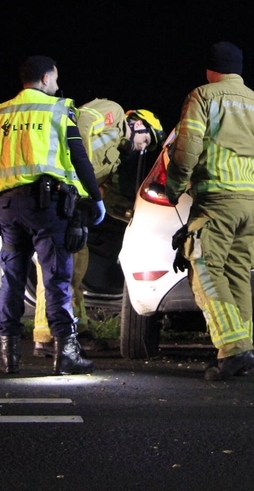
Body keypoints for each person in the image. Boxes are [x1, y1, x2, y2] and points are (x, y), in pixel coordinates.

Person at [0, 55, 106, 375]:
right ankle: (66, 354)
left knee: (13, 281)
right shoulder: (59, 110)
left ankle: (9, 356)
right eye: (55, 79)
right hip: (48, 209)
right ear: (45, 79)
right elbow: (79, 157)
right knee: (57, 279)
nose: (58, 85)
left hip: (7, 210)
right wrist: (96, 199)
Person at [164, 41, 254, 380]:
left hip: (216, 201)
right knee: (237, 276)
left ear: (210, 69)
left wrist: (173, 188)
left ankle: (234, 349)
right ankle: (241, 349)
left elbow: (187, 149)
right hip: (249, 207)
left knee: (206, 271)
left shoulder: (203, 96)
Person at [31, 104, 164, 358]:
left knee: (75, 270)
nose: (143, 147)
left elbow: (105, 195)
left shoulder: (114, 158)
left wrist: (138, 214)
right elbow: (80, 122)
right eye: (147, 139)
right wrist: (75, 161)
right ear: (137, 124)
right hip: (58, 194)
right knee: (56, 268)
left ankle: (76, 330)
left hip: (74, 206)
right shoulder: (112, 112)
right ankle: (46, 336)